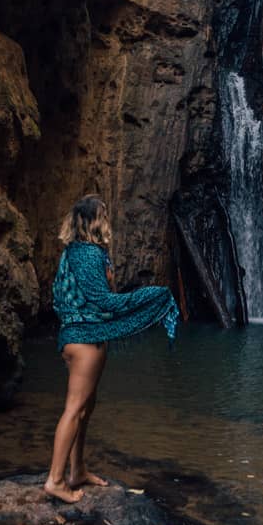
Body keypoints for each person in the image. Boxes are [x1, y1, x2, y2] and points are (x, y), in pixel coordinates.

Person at [44, 193, 179, 503]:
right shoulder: (89, 255)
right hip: (85, 340)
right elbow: (105, 301)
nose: (108, 221)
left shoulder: (71, 254)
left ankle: (77, 470)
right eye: (103, 215)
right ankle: (55, 479)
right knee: (75, 408)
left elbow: (62, 298)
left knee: (85, 409)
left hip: (75, 336)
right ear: (93, 222)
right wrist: (154, 296)